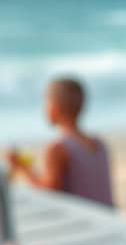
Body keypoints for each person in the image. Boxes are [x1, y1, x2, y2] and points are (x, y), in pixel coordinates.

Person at [7, 78, 113, 207]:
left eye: (46, 102)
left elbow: (48, 193)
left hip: (83, 222)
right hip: (107, 218)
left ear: (54, 108)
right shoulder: (99, 144)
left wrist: (23, 168)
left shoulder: (58, 148)